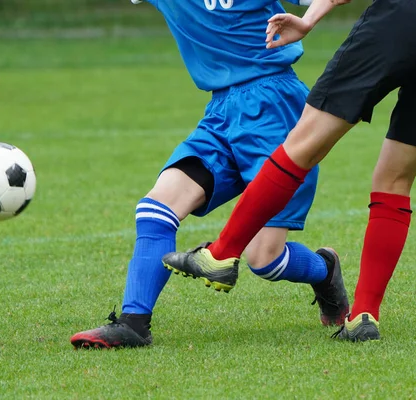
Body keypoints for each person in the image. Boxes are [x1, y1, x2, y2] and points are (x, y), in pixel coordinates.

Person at [163, 0, 416, 342]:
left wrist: (309, 20)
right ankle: (363, 316)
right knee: (395, 180)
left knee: (301, 145)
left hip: (407, 14)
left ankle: (221, 253)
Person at [70, 0, 351, 349]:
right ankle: (133, 324)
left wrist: (308, 20)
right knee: (155, 208)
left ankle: (325, 271)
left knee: (264, 260)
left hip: (274, 106)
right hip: (221, 112)